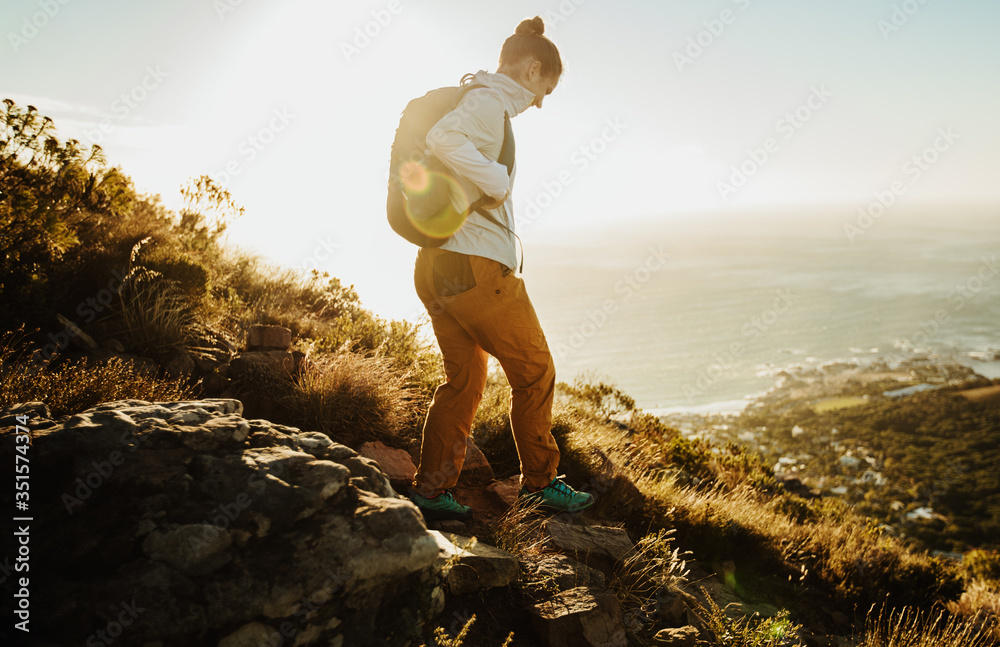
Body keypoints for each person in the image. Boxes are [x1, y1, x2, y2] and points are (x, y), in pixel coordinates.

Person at [408, 16, 594, 522]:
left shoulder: (481, 99)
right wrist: (497, 180)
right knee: (535, 372)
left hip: (437, 265)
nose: (541, 102)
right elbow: (445, 138)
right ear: (532, 69)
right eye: (545, 90)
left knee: (464, 383)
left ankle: (431, 491)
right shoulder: (489, 104)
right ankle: (539, 482)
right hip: (477, 269)